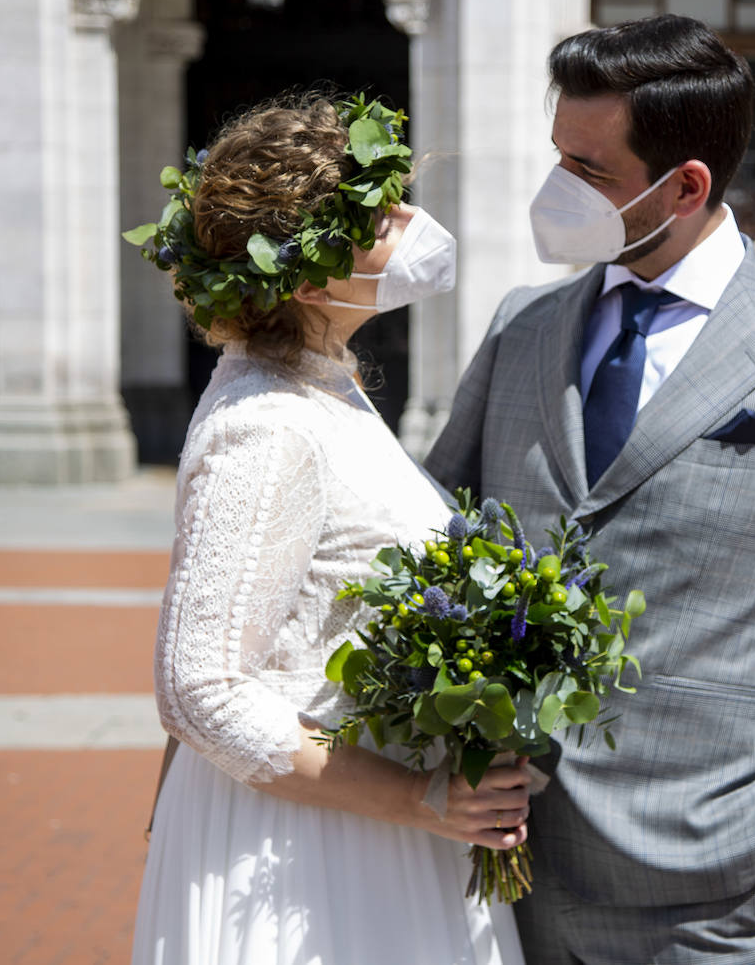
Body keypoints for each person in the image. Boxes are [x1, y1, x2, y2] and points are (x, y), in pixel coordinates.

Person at [423, 15, 755, 965]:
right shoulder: (521, 327)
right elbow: (432, 531)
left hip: (712, 890)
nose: (557, 190)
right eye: (559, 157)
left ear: (687, 185)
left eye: (588, 170)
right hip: (508, 868)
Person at [130, 94, 529, 965]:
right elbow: (198, 691)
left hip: (370, 823)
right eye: (379, 213)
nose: (411, 222)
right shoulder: (265, 424)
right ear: (307, 275)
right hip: (308, 853)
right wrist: (422, 800)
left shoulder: (322, 382)